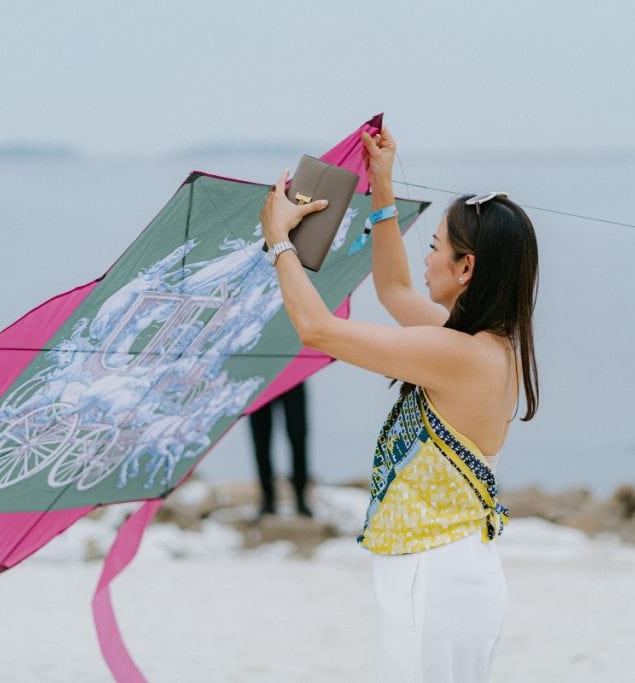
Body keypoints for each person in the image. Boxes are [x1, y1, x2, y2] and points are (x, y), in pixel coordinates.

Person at [259, 127, 539, 683]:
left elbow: (317, 329)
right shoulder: (486, 346)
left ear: (466, 268)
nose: (427, 259)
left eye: (434, 247)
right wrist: (382, 186)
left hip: (434, 577)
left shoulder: (457, 355)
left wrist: (279, 242)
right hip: (453, 571)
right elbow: (393, 290)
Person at [249, 382, 312, 518]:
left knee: (298, 436)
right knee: (261, 440)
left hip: (293, 376)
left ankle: (301, 498)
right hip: (260, 380)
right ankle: (268, 500)